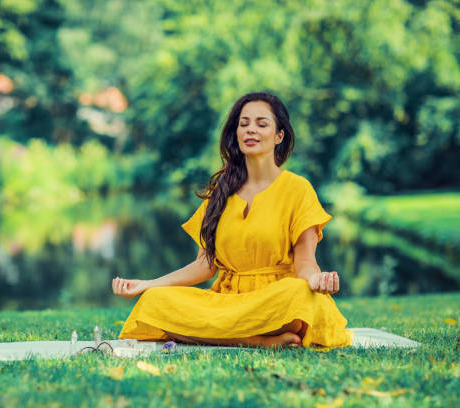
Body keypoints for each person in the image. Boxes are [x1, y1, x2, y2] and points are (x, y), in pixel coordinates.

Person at [111, 91, 353, 349]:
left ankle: (224, 334)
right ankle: (256, 340)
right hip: (227, 304)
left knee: (300, 295)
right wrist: (148, 285)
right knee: (154, 301)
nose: (250, 130)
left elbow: (305, 263)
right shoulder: (220, 190)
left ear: (279, 136)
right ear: (235, 133)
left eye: (262, 124)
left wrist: (315, 280)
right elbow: (205, 266)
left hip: (274, 301)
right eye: (244, 123)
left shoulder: (298, 189)